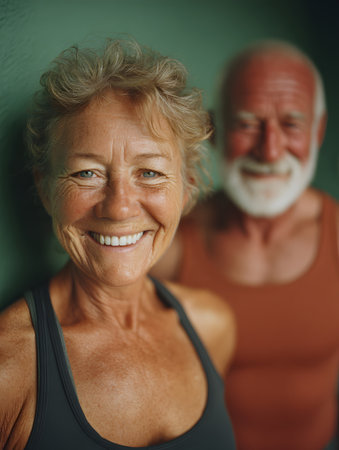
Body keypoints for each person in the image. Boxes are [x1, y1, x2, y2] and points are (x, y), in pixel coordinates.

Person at [0, 39, 237, 450]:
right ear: (45, 190)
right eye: (87, 173)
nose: (119, 207)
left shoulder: (212, 325)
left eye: (149, 172)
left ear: (188, 188)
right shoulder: (10, 369)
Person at [151, 41, 339, 450]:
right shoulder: (172, 239)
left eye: (291, 124)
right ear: (214, 128)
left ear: (318, 131)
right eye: (248, 123)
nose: (269, 151)